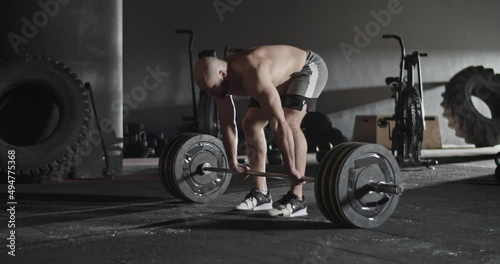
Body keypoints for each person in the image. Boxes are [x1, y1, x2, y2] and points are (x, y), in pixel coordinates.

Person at [193, 45, 328, 217]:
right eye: (207, 91)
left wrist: (291, 169)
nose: (212, 94)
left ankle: (297, 198)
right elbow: (227, 123)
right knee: (251, 124)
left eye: (212, 89)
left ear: (222, 74)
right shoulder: (217, 84)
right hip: (276, 79)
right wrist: (233, 162)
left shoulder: (253, 73)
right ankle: (261, 194)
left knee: (290, 121)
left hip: (307, 68)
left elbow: (279, 125)